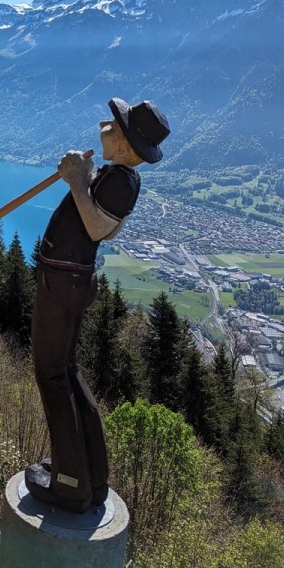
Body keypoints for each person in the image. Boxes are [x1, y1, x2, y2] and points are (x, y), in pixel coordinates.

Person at [25, 97, 170, 514]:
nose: (104, 124)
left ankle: (70, 484)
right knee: (64, 372)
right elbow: (107, 230)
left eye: (114, 123)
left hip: (64, 282)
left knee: (51, 375)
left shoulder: (121, 180)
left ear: (124, 142)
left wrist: (76, 180)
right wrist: (84, 178)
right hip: (69, 279)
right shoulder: (118, 177)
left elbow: (98, 228)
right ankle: (89, 473)